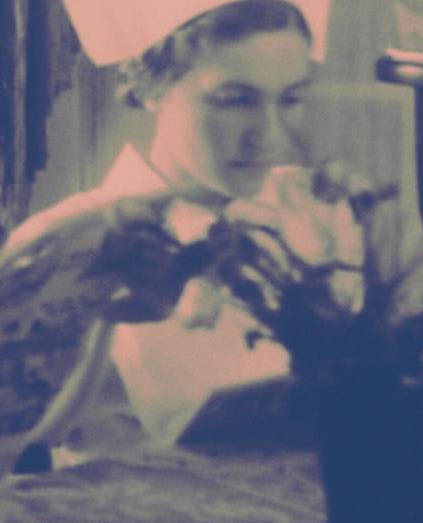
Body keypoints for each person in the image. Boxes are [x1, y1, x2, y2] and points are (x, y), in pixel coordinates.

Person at [23, 0, 369, 449]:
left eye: (290, 99)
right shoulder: (63, 243)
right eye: (235, 100)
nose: (270, 134)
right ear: (152, 87)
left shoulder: (321, 212)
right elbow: (16, 444)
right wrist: (101, 320)